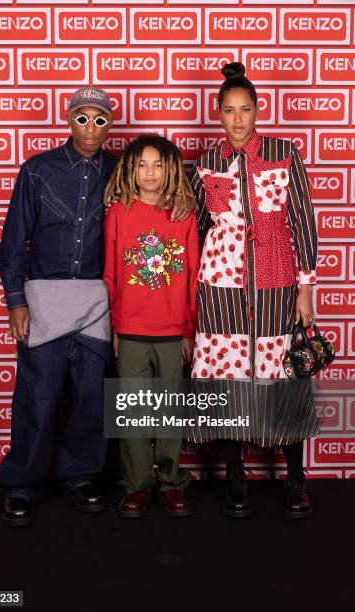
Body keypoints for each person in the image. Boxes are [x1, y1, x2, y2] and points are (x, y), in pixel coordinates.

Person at [189, 63, 318, 519]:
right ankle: (236, 480)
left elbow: (301, 220)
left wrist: (306, 287)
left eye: (246, 109)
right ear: (218, 113)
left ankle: (297, 482)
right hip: (220, 286)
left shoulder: (285, 153)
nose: (238, 119)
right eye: (229, 110)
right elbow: (199, 229)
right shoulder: (206, 164)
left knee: (283, 379)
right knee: (226, 382)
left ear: (258, 110)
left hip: (276, 284)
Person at [0, 87, 118, 527]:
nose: (90, 128)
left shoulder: (121, 173)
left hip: (95, 305)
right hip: (44, 300)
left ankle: (81, 476)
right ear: (68, 120)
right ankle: (21, 483)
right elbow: (12, 243)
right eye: (82, 118)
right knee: (37, 395)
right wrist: (15, 302)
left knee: (90, 398)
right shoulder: (38, 171)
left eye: (99, 120)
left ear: (109, 125)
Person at [103, 135, 199, 518]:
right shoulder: (119, 212)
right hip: (130, 330)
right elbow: (109, 274)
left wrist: (188, 331)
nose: (150, 173)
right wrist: (111, 325)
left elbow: (192, 276)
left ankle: (172, 482)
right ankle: (137, 485)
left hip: (172, 330)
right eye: (142, 164)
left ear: (171, 168)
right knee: (133, 413)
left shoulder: (183, 213)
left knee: (169, 413)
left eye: (158, 164)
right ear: (130, 169)